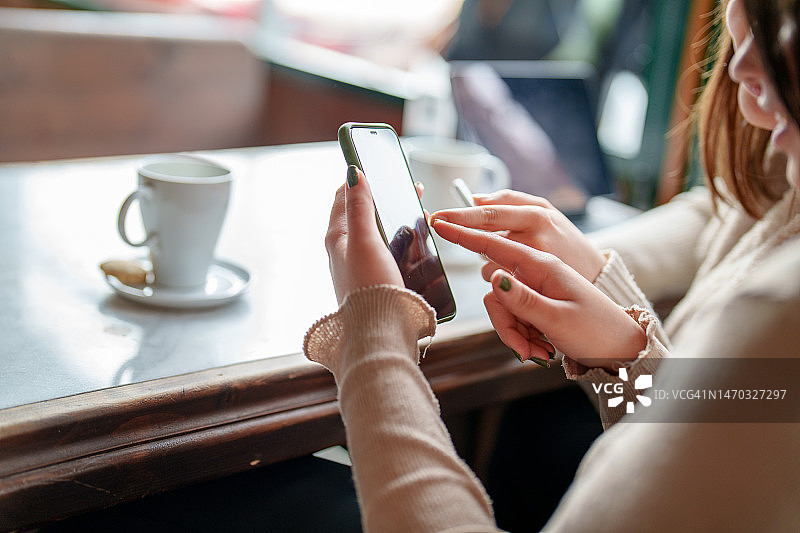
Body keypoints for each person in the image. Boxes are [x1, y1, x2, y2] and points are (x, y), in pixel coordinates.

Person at [303, 0, 800, 530]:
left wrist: (373, 339)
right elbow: (696, 450)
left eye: (780, 28)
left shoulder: (777, 313)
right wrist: (626, 355)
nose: (739, 69)